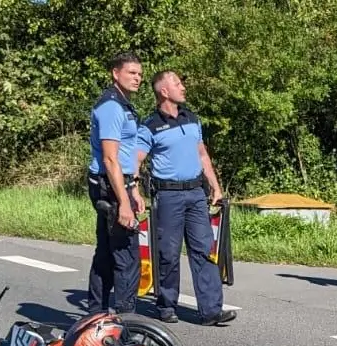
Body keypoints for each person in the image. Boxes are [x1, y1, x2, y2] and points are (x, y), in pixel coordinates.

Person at [135, 71, 232, 326]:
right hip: (168, 196)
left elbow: (202, 155)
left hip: (196, 194)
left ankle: (211, 310)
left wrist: (215, 187)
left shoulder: (191, 119)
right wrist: (133, 190)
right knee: (168, 252)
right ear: (164, 91)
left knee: (204, 249)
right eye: (177, 84)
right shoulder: (150, 126)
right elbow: (136, 160)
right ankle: (166, 305)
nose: (183, 87)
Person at [87, 52, 147, 314]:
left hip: (119, 183)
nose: (137, 78)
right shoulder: (111, 106)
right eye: (132, 73)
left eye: (140, 74)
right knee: (126, 255)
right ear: (115, 73)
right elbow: (111, 159)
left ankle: (95, 315)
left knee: (106, 253)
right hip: (110, 185)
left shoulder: (123, 104)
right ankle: (126, 321)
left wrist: (134, 188)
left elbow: (128, 151)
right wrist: (123, 202)